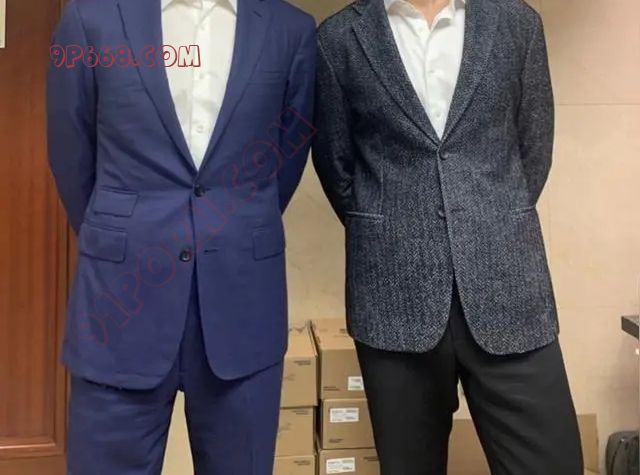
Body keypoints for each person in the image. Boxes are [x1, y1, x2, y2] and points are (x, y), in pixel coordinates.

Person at [312, 0, 583, 473]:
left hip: (509, 286)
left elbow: (533, 148)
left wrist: (487, 219)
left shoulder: (517, 23)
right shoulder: (338, 39)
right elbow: (337, 167)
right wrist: (396, 227)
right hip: (394, 294)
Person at [47, 0, 315, 472]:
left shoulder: (290, 28)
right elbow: (71, 150)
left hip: (243, 307)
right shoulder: (91, 20)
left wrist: (232, 225)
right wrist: (122, 234)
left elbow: (284, 160)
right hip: (121, 303)